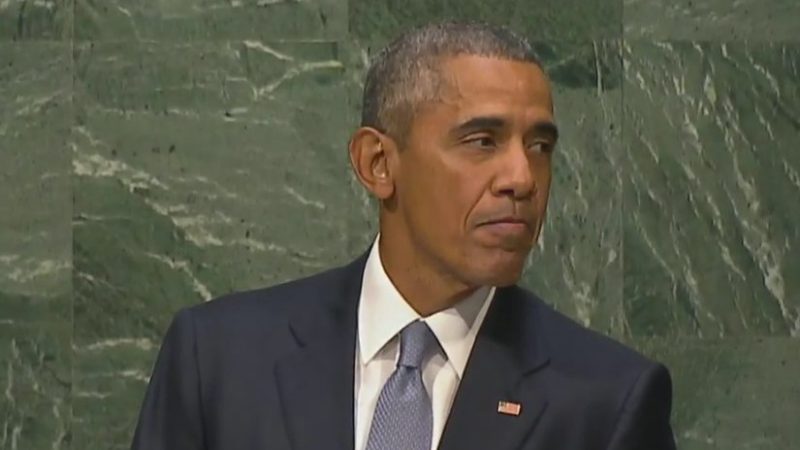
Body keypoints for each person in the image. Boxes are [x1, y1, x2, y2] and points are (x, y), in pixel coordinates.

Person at [131, 21, 676, 450]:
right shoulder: (220, 359)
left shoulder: (607, 400)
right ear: (378, 163)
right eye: (483, 141)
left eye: (540, 146)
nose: (522, 178)